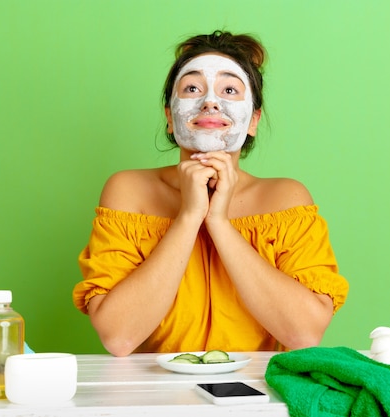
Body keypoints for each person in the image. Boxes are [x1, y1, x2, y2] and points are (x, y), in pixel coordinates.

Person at [73, 30, 349, 357]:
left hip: (258, 396)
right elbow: (119, 338)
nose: (210, 102)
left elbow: (304, 333)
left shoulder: (286, 198)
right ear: (169, 118)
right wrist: (189, 216)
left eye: (229, 89)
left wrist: (218, 222)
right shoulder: (128, 191)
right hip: (155, 395)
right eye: (192, 88)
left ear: (253, 121)